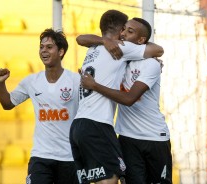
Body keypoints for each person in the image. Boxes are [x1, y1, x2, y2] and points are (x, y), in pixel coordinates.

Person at [69, 10, 164, 184]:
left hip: (78, 126)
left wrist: (104, 39)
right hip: (97, 125)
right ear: (120, 29)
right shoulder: (121, 47)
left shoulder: (92, 49)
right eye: (125, 30)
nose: (125, 34)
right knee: (109, 180)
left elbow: (79, 38)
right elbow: (159, 50)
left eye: (130, 31)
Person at [0, 28, 80, 184]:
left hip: (70, 157)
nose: (43, 51)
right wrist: (0, 84)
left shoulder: (76, 81)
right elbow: (7, 104)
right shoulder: (31, 81)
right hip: (41, 157)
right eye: (41, 47)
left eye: (49, 47)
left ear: (61, 52)